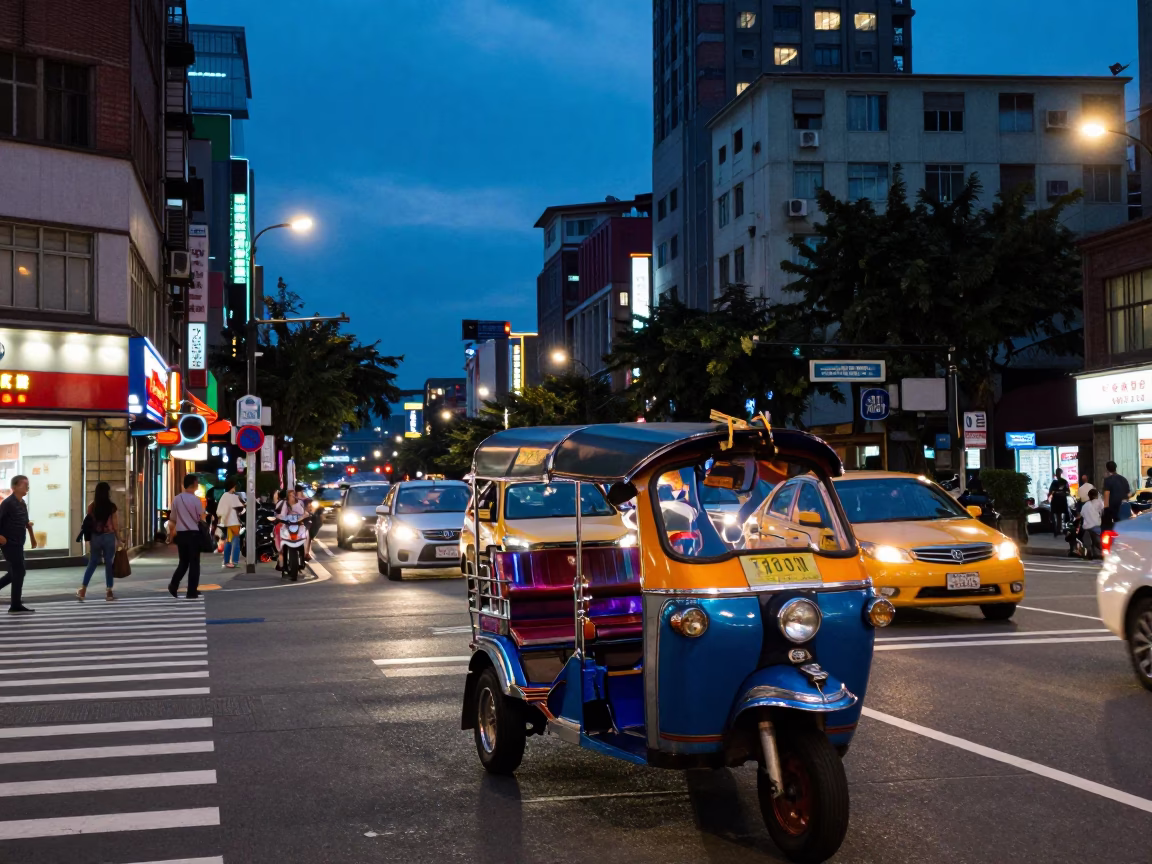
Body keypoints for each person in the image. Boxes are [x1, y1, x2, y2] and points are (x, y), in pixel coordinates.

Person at [77, 482, 122, 601]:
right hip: (108, 537)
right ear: (107, 493)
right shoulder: (112, 507)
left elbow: (89, 522)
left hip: (95, 537)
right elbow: (115, 525)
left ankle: (83, 590)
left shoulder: (92, 506)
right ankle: (109, 592)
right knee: (108, 563)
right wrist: (119, 539)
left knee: (92, 563)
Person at [0, 475, 36, 613]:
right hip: (9, 543)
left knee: (14, 573)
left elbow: (26, 523)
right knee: (19, 571)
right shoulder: (7, 503)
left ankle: (15, 604)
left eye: (28, 484)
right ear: (14, 487)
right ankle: (15, 604)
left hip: (19, 542)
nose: (27, 487)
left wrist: (33, 538)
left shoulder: (22, 503)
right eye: (24, 484)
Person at [167, 474, 205, 599]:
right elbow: (202, 518)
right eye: (197, 482)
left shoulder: (177, 499)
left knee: (183, 562)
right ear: (194, 484)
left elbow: (172, 519)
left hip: (181, 535)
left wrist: (170, 534)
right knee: (194, 563)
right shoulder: (196, 500)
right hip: (194, 534)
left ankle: (173, 585)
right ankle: (192, 591)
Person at [275, 488, 307, 572]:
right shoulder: (285, 504)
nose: (292, 496)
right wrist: (279, 518)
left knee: (304, 539)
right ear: (287, 496)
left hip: (298, 525)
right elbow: (282, 514)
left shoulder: (299, 503)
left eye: (293, 494)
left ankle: (303, 559)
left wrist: (295, 507)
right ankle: (283, 564)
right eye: (290, 495)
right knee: (283, 542)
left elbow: (302, 513)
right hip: (288, 525)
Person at [216, 478, 244, 570]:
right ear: (232, 486)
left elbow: (220, 511)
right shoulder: (233, 497)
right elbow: (242, 509)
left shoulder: (224, 496)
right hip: (235, 522)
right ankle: (235, 562)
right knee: (236, 542)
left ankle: (226, 561)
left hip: (228, 523)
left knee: (229, 541)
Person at [1102, 461, 1132, 526]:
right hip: (1125, 506)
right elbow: (1129, 494)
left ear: (1107, 469)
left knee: (1116, 526)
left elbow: (1106, 494)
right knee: (1125, 525)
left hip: (1114, 508)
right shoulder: (1123, 479)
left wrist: (1106, 509)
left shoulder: (1107, 480)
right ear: (1116, 467)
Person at [1081, 488, 1106, 559]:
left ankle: (1089, 550)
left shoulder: (1085, 505)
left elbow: (1081, 514)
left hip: (1086, 527)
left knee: (1087, 539)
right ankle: (1099, 552)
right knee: (1100, 540)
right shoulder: (1099, 502)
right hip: (1096, 526)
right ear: (1096, 495)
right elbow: (1103, 512)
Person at [1047, 468, 1071, 537]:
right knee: (1059, 515)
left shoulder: (1056, 482)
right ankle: (1059, 529)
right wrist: (1062, 493)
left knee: (1058, 515)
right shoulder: (1063, 481)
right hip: (1061, 500)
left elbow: (1051, 491)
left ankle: (1058, 529)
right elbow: (1068, 492)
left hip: (1057, 501)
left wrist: (1055, 493)